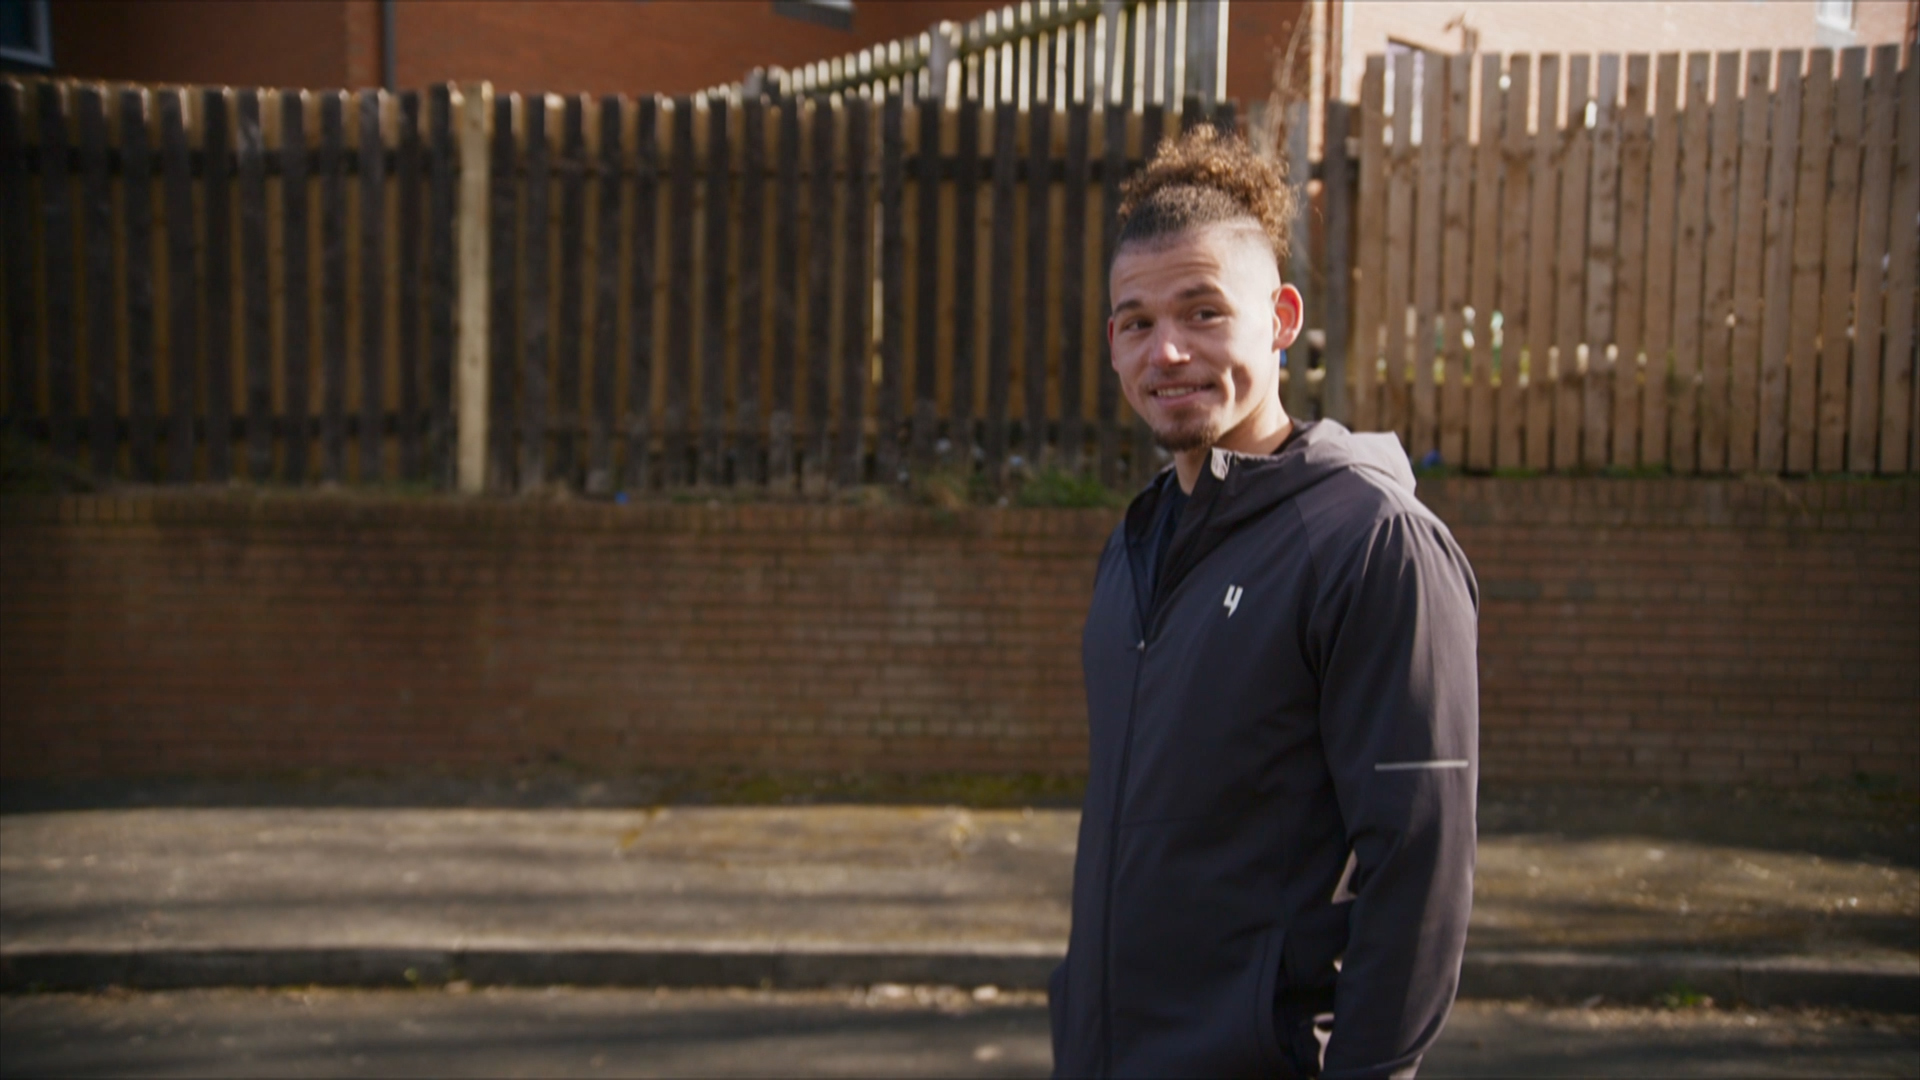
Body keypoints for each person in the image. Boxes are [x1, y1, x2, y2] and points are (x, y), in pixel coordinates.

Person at [1048, 125, 1480, 1079]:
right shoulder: (1134, 545)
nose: (1167, 351)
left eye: (1204, 312)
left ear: (1280, 317)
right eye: (1134, 322)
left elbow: (1419, 876)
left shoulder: (1370, 543)